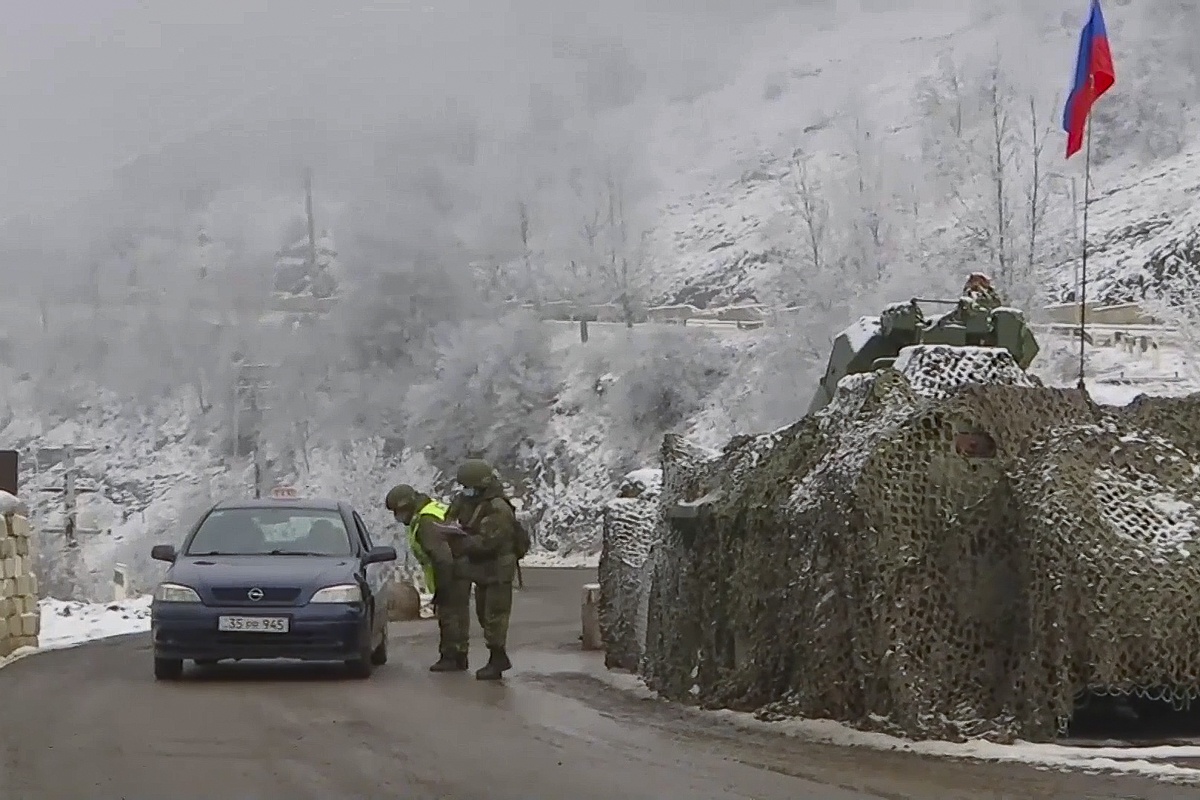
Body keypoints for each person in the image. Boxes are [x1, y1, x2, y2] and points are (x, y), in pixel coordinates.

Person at [385, 484, 471, 672]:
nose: (397, 517)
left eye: (397, 512)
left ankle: (450, 657)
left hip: (451, 573)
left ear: (406, 506)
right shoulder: (434, 509)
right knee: (460, 614)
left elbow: (442, 559)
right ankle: (460, 655)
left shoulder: (426, 522)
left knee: (449, 615)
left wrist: (442, 588)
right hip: (461, 569)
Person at [451, 459, 520, 680]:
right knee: (483, 614)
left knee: (495, 616)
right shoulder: (472, 502)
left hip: (498, 569)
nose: (465, 491)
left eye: (467, 486)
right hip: (482, 570)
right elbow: (453, 516)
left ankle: (498, 658)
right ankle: (497, 656)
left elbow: (488, 542)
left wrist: (460, 541)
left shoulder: (497, 508)